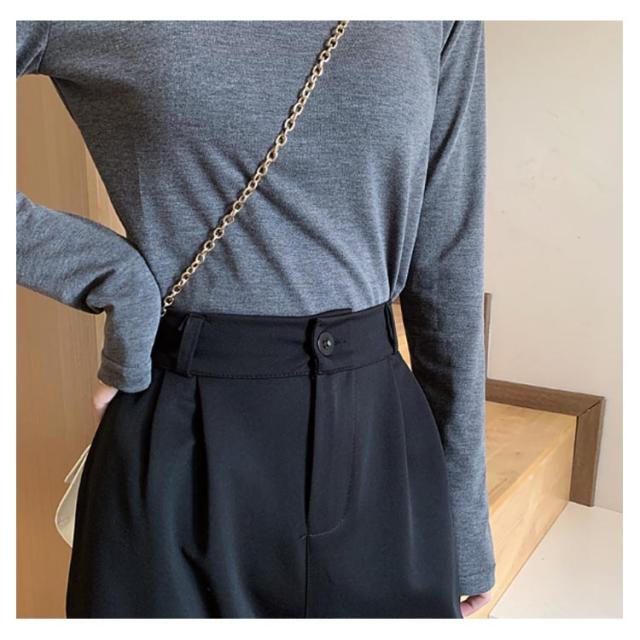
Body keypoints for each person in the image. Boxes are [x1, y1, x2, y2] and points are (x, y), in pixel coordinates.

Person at [16, 19, 495, 618]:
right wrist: (110, 275)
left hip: (379, 438)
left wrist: (464, 515)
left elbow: (447, 252)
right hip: (181, 438)